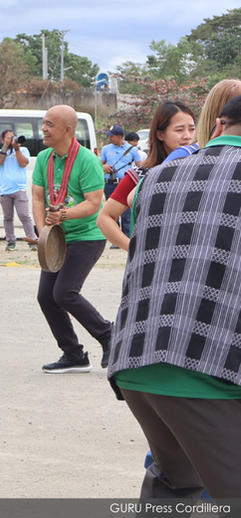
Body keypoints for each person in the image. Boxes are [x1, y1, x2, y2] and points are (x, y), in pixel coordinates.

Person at [107, 94, 241, 499]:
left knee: (175, 484)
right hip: (207, 367)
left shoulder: (158, 176)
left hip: (136, 359)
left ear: (217, 126)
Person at [32, 105, 112, 372]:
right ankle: (74, 354)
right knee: (46, 296)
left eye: (50, 124)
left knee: (65, 293)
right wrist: (43, 230)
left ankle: (108, 335)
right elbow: (37, 197)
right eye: (44, 123)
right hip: (56, 238)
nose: (44, 128)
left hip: (88, 235)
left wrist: (62, 216)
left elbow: (93, 203)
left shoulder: (87, 160)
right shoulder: (44, 158)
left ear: (67, 129)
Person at [98, 101, 196, 250]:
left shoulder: (202, 169)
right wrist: (134, 249)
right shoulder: (141, 174)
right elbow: (104, 218)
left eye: (192, 129)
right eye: (179, 130)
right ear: (160, 134)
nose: (187, 136)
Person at [0, 129, 37, 252]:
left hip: (19, 188)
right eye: (8, 137)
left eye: (13, 137)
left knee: (24, 215)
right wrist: (6, 146)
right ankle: (11, 242)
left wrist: (16, 148)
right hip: (4, 190)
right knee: (8, 217)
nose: (12, 139)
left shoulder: (23, 150)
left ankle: (32, 240)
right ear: (2, 140)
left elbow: (23, 163)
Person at [99, 124, 143, 239]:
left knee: (126, 214)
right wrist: (103, 167)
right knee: (111, 213)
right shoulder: (106, 149)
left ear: (119, 137)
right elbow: (99, 164)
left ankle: (128, 237)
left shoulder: (132, 150)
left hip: (124, 184)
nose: (109, 138)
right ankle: (114, 237)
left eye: (112, 136)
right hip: (110, 183)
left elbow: (141, 167)